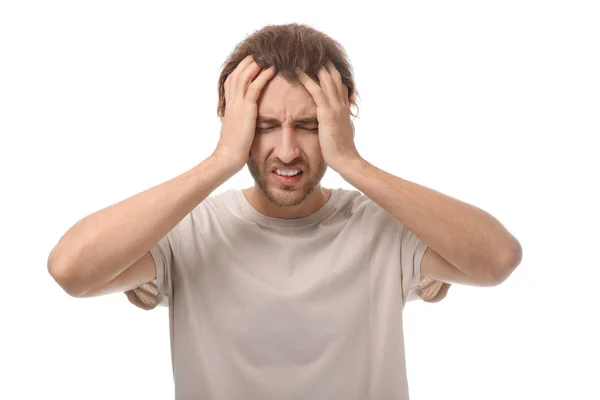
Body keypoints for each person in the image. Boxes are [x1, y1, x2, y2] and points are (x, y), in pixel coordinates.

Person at [48, 23, 522, 400]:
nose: (288, 150)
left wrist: (352, 163)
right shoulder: (190, 231)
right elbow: (71, 270)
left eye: (310, 126)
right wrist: (219, 162)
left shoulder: (384, 228)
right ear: (234, 124)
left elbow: (499, 259)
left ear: (340, 120)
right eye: (266, 125)